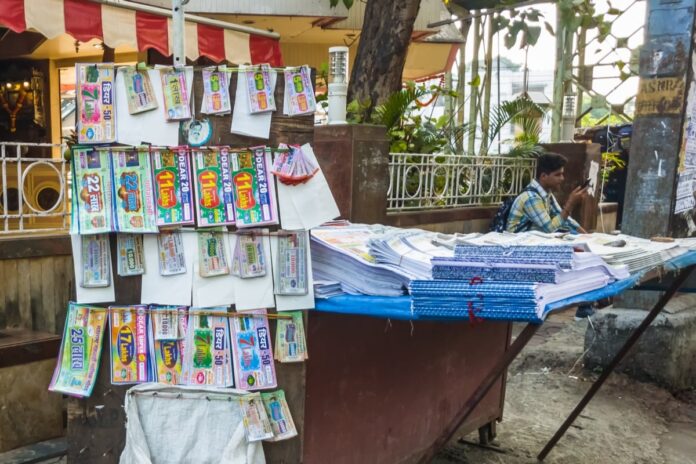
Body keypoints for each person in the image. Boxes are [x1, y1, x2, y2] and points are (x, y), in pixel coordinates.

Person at [506, 152, 595, 321]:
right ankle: (579, 304)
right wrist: (570, 203)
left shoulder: (546, 195)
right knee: (571, 257)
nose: (562, 179)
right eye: (558, 175)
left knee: (582, 249)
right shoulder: (531, 198)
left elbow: (565, 219)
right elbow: (549, 227)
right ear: (543, 176)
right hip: (518, 249)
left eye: (562, 174)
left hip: (536, 244)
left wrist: (586, 236)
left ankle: (584, 304)